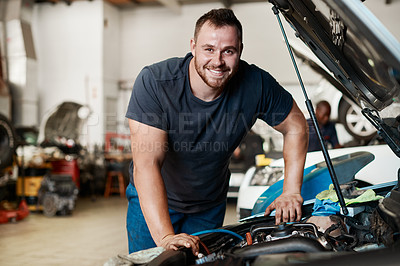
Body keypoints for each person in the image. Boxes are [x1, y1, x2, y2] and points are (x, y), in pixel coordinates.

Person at [125, 8, 308, 255]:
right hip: (154, 202)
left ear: (240, 50)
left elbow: (296, 125)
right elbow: (147, 164)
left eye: (228, 51)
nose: (218, 61)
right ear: (193, 46)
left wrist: (291, 191)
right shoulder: (156, 83)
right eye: (208, 49)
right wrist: (166, 236)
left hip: (207, 206)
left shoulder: (256, 85)